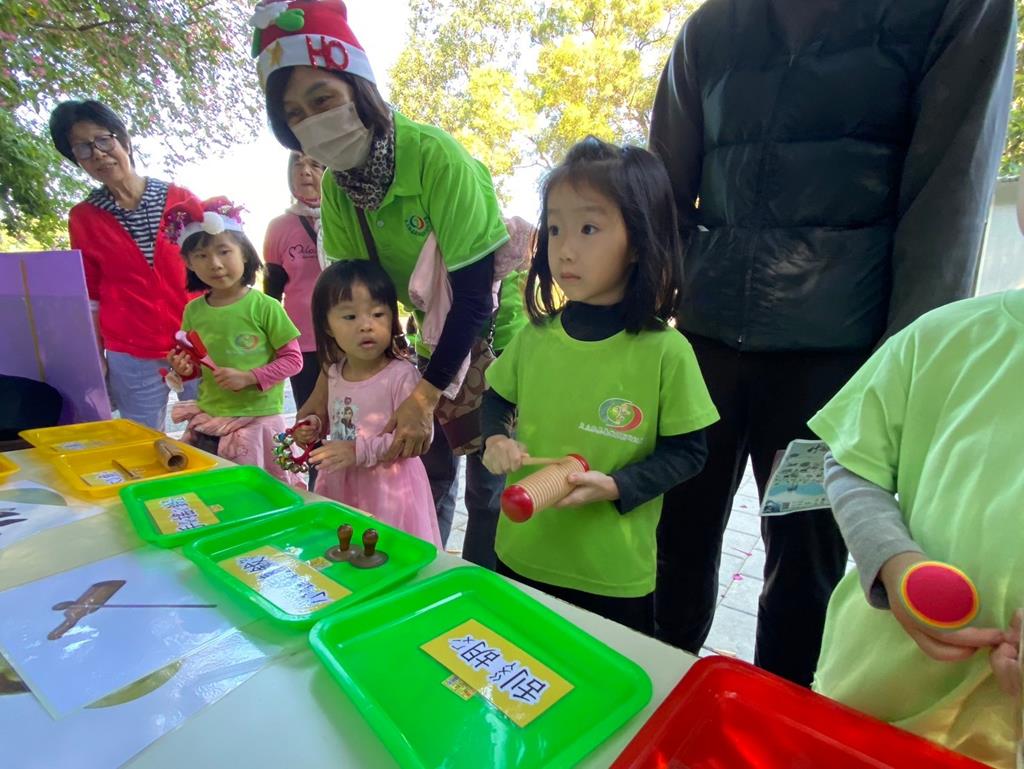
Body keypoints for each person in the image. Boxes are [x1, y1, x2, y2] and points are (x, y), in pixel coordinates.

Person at [648, 0, 1016, 684]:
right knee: (672, 541)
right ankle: (655, 699)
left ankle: (780, 724)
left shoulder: (954, 10)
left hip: (838, 356)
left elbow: (949, 192)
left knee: (802, 576)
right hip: (702, 344)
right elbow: (661, 196)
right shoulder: (712, 29)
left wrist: (907, 377)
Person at [252, 0, 525, 563]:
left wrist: (424, 395)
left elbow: (474, 298)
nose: (311, 122)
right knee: (431, 467)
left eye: (322, 99)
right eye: (295, 114)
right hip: (432, 331)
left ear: (360, 89)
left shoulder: (436, 159)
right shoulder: (337, 189)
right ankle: (425, 566)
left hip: (495, 331)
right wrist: (319, 401)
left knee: (488, 483)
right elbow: (354, 299)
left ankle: (476, 583)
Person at [805, 180, 1024, 767]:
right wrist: (892, 561)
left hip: (994, 744)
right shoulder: (940, 335)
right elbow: (853, 464)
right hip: (867, 692)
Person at [480, 137, 718, 633]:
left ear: (639, 242)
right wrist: (497, 439)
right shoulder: (535, 338)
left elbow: (689, 452)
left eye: (588, 228)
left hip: (612, 576)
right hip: (522, 552)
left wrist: (618, 486)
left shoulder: (666, 352)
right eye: (555, 229)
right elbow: (497, 397)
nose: (565, 249)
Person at [49, 99, 201, 430]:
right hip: (131, 352)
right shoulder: (83, 218)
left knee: (215, 433)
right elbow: (90, 297)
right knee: (142, 440)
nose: (98, 154)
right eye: (83, 148)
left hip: (197, 342)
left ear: (124, 141)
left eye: (103, 140)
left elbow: (215, 268)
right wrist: (95, 359)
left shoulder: (180, 199)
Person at [291, 260, 442, 547]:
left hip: (388, 490)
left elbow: (414, 440)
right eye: (350, 317)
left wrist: (357, 451)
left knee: (386, 552)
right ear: (327, 326)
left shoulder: (401, 375)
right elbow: (338, 421)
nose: (366, 325)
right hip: (341, 483)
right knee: (343, 548)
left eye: (378, 314)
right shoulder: (334, 373)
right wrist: (313, 427)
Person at [164, 197, 302, 483]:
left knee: (264, 492)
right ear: (189, 262)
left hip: (259, 422)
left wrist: (249, 377)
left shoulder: (265, 307)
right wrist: (183, 368)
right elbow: (195, 365)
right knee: (216, 491)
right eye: (201, 256)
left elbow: (293, 360)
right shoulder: (193, 311)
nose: (215, 264)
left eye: (224, 251)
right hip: (210, 419)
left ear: (245, 253)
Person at [263, 151, 326, 408]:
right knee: (311, 417)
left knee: (353, 416)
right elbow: (271, 293)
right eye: (297, 164)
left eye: (315, 164)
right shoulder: (278, 227)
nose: (304, 171)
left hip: (348, 335)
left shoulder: (347, 218)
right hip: (303, 341)